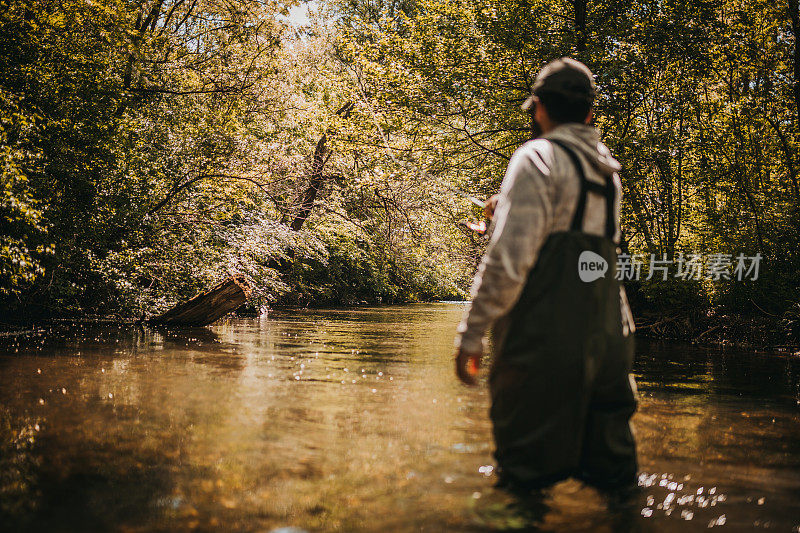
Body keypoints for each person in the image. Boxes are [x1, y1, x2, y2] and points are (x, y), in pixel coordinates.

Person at [454, 58, 639, 495]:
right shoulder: (608, 172)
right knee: (615, 479)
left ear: (538, 107)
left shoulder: (536, 157)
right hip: (611, 337)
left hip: (546, 339)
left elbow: (507, 262)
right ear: (590, 113)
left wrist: (471, 334)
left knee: (523, 478)